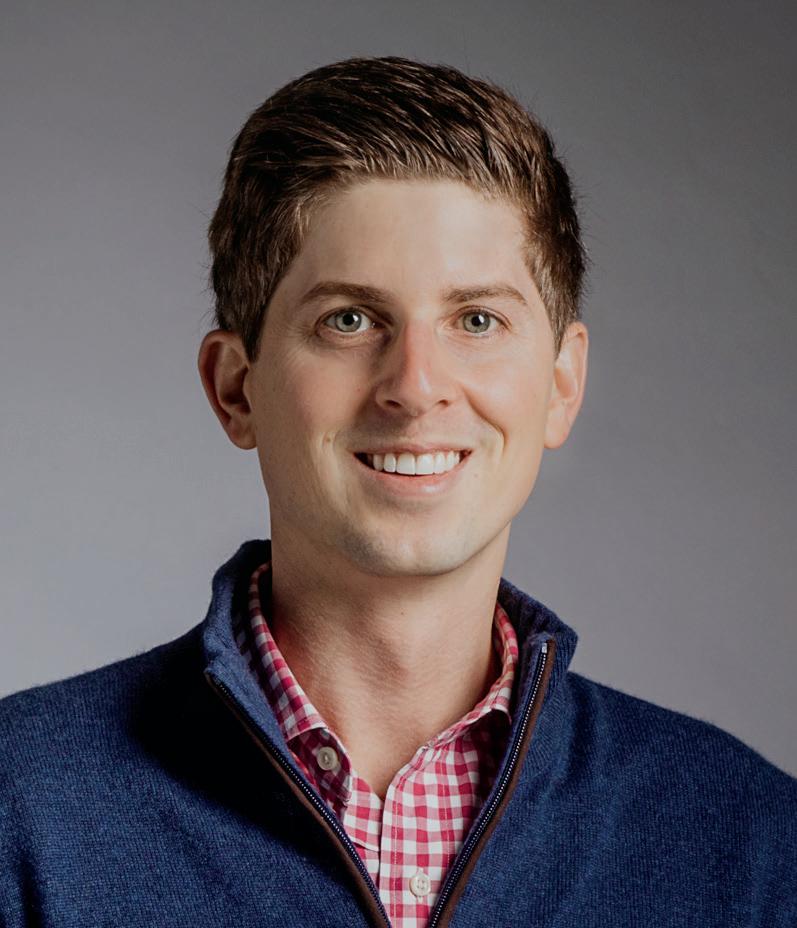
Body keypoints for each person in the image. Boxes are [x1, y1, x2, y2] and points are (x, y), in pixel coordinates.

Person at [1, 55, 795, 928]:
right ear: (235, 389)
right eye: (348, 320)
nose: (415, 387)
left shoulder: (750, 842)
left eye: (477, 320)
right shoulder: (21, 808)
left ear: (561, 386)